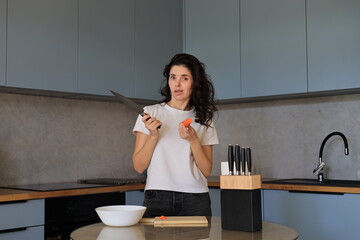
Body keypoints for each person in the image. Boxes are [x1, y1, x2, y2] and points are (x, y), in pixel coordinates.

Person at [132, 53, 219, 217]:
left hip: (196, 198)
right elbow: (139, 166)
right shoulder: (149, 114)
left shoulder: (204, 119)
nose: (177, 84)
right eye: (173, 77)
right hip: (157, 196)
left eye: (184, 78)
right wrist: (153, 136)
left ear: (195, 82)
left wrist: (193, 140)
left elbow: (206, 170)